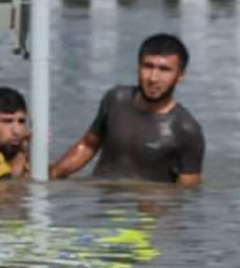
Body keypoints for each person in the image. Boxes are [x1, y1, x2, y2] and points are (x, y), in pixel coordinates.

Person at [49, 34, 204, 185]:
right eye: (148, 66)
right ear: (138, 67)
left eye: (164, 70)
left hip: (146, 209)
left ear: (181, 75)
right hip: (101, 204)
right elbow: (88, 145)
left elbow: (186, 194)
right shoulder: (116, 99)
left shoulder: (186, 130)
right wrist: (52, 175)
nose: (153, 78)